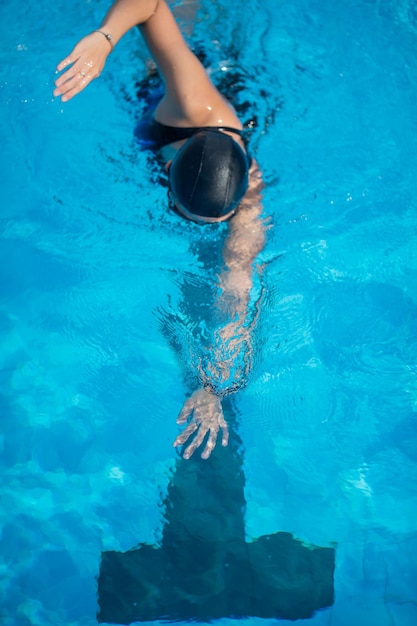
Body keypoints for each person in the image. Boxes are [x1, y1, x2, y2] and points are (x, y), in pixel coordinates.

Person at [54, 0, 266, 459]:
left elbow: (236, 290)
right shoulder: (191, 103)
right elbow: (148, 3)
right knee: (179, 37)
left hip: (227, 111)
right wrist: (105, 38)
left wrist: (214, 387)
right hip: (195, 86)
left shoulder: (247, 208)